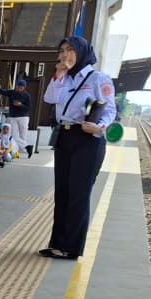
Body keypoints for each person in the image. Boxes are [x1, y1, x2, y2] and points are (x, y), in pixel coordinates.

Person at [42, 36, 115, 259]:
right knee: (62, 192)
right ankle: (57, 243)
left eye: (70, 50)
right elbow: (49, 99)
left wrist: (100, 127)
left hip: (88, 139)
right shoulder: (63, 78)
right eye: (62, 50)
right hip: (64, 137)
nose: (65, 55)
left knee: (78, 194)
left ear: (82, 52)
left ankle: (70, 248)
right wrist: (58, 75)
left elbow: (110, 110)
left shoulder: (98, 78)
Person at [0, 79, 34, 157]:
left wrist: (21, 105)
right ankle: (27, 147)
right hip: (12, 116)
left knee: (23, 134)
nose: (19, 88)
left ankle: (19, 150)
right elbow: (1, 91)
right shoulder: (12, 92)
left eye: (21, 87)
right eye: (18, 86)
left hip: (23, 116)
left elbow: (29, 108)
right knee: (13, 135)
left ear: (24, 87)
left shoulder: (27, 96)